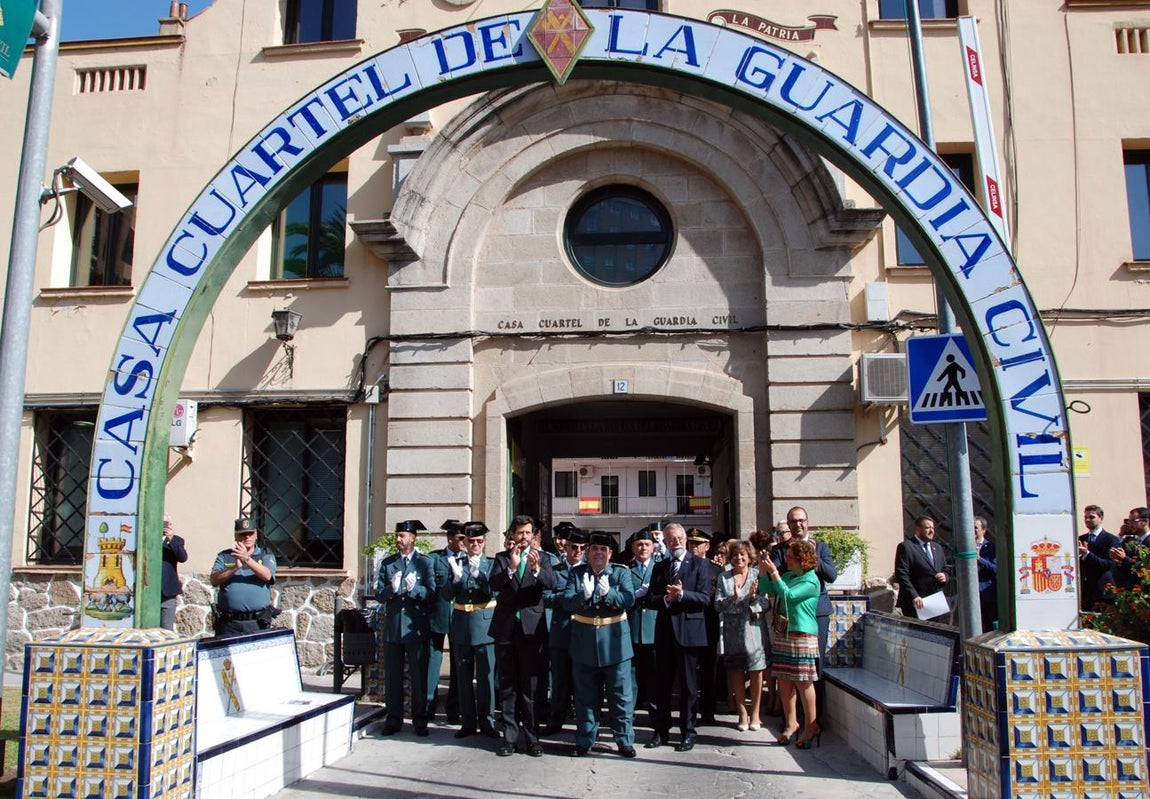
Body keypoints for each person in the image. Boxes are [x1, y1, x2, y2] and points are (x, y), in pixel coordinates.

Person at [562, 531, 638, 757]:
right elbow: (566, 602)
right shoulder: (577, 574)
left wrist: (610, 593)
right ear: (587, 552)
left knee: (621, 696)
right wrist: (582, 597)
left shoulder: (621, 573)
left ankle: (624, 740)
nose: (598, 553)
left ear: (611, 553)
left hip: (615, 645)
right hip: (584, 643)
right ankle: (584, 740)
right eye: (594, 549)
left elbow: (629, 600)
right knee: (585, 697)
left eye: (603, 549)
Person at [489, 515, 556, 757]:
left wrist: (536, 569)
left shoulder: (544, 558)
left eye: (528, 533)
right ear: (513, 535)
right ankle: (509, 738)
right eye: (520, 533)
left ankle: (532, 738)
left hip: (532, 630)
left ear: (533, 535)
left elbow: (553, 583)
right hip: (506, 629)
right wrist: (512, 568)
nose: (524, 537)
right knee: (508, 687)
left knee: (530, 689)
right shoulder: (501, 558)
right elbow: (494, 584)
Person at [646, 522, 714, 752]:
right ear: (664, 542)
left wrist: (682, 594)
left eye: (679, 538)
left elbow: (705, 599)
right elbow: (650, 598)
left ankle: (688, 732)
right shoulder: (660, 566)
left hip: (689, 632)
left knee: (688, 686)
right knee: (662, 685)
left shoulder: (700, 565)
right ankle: (661, 731)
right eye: (670, 539)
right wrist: (666, 600)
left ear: (685, 539)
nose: (676, 542)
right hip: (665, 632)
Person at [758, 539, 821, 749]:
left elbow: (789, 595)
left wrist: (774, 572)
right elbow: (767, 587)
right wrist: (763, 568)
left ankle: (811, 725)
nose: (787, 560)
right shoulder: (788, 576)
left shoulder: (811, 581)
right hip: (784, 633)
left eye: (791, 557)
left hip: (802, 634)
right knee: (784, 679)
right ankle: (791, 722)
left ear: (803, 559)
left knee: (803, 681)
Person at [376, 519, 436, 737]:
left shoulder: (424, 563)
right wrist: (391, 590)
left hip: (415, 627)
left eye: (402, 536)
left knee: (418, 676)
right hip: (393, 628)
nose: (398, 540)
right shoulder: (388, 563)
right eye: (397, 535)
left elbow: (431, 594)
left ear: (413, 538)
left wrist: (415, 590)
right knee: (393, 676)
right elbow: (379, 594)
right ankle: (394, 719)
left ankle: (420, 720)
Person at [442, 521, 500, 739]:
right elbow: (446, 595)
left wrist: (481, 577)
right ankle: (467, 722)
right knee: (463, 677)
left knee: (485, 677)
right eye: (471, 541)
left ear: (484, 543)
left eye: (479, 541)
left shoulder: (492, 564)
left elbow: (495, 592)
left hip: (484, 624)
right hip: (461, 625)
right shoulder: (455, 562)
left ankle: (487, 721)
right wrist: (456, 580)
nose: (475, 545)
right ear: (464, 542)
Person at [714, 539, 766, 731]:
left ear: (749, 557)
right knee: (735, 671)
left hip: (753, 630)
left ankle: (755, 714)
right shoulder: (724, 577)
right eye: (735, 555)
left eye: (742, 554)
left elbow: (765, 603)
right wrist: (734, 599)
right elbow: (717, 604)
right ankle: (742, 713)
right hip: (732, 631)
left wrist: (752, 600)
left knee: (756, 671)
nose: (739, 558)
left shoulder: (757, 575)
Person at [542, 527, 587, 734]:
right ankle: (555, 720)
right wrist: (569, 598)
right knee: (559, 681)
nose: (576, 551)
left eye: (581, 548)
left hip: (583, 632)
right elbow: (545, 598)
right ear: (566, 548)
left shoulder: (589, 571)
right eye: (573, 547)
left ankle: (583, 724)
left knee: (582, 682)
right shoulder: (555, 570)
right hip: (560, 631)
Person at [210, 516, 277, 636]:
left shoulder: (265, 554)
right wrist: (234, 567)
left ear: (256, 535)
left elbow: (267, 576)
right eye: (243, 534)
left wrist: (246, 559)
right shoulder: (225, 556)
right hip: (229, 622)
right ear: (236, 536)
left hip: (257, 621)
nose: (247, 537)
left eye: (250, 534)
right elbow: (214, 579)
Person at [427, 519, 466, 725]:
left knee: (458, 666)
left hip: (460, 618)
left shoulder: (468, 559)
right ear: (449, 538)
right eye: (460, 538)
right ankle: (428, 707)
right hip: (438, 615)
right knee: (433, 663)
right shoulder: (435, 559)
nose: (464, 541)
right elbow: (431, 588)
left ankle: (454, 710)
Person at [686, 528, 722, 724]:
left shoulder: (717, 570)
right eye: (691, 543)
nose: (693, 547)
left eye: (697, 544)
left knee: (708, 670)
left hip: (708, 624)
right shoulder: (684, 566)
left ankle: (708, 710)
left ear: (707, 546)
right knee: (689, 670)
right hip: (689, 624)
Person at [626, 529, 660, 726]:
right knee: (630, 677)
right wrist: (636, 594)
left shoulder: (659, 568)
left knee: (655, 677)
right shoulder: (626, 569)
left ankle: (656, 718)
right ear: (633, 547)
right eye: (639, 544)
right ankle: (628, 717)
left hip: (654, 630)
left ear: (653, 546)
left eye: (647, 544)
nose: (643, 548)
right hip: (632, 629)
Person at [894, 516, 949, 621]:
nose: (931, 530)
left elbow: (945, 568)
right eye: (927, 528)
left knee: (936, 633)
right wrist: (914, 596)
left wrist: (944, 576)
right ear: (918, 529)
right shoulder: (906, 547)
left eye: (933, 528)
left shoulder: (937, 547)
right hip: (916, 602)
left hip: (935, 601)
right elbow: (902, 574)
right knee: (917, 634)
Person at [1078, 504, 1122, 610]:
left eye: (1092, 517)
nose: (1087, 520)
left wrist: (1087, 554)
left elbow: (1107, 564)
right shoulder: (1081, 538)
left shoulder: (1111, 539)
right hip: (1086, 591)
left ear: (1101, 518)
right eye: (1085, 517)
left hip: (1103, 590)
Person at [1111, 508, 1150, 590]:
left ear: (1145, 522)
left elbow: (1146, 566)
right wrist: (1120, 562)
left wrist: (1125, 559)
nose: (1130, 524)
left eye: (1133, 521)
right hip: (1133, 590)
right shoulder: (1130, 542)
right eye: (1128, 521)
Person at [160, 514, 188, 631]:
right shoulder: (147, 538)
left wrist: (170, 539)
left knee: (166, 629)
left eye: (166, 523)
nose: (163, 526)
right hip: (149, 591)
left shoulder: (177, 540)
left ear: (170, 525)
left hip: (167, 592)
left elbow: (182, 557)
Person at [973, 516, 998, 631]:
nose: (972, 530)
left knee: (989, 625)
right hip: (971, 594)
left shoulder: (991, 547)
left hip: (987, 593)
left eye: (975, 528)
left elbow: (995, 569)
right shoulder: (964, 547)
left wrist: (980, 560)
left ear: (983, 530)